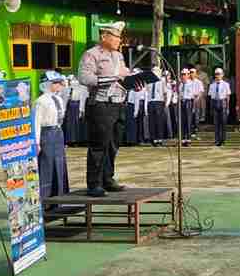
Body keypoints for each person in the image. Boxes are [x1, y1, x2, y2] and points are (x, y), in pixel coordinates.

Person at [77, 22, 136, 197]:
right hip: (101, 104)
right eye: (116, 37)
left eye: (119, 37)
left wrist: (134, 83)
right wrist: (112, 78)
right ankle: (94, 183)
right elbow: (84, 77)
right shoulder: (91, 54)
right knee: (98, 145)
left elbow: (123, 78)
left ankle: (107, 179)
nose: (119, 40)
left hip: (118, 104)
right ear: (104, 37)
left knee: (113, 144)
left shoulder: (119, 56)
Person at [35, 70, 70, 200]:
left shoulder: (59, 99)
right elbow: (37, 122)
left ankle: (59, 197)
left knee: (60, 164)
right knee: (47, 165)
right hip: (46, 133)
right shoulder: (40, 101)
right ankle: (45, 199)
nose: (59, 85)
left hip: (57, 132)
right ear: (48, 84)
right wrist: (36, 142)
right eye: (56, 82)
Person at [64, 74, 89, 146]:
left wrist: (81, 109)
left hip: (76, 106)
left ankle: (78, 140)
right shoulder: (68, 89)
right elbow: (66, 99)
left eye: (70, 81)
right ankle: (70, 140)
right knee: (70, 124)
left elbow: (82, 99)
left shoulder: (80, 88)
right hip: (70, 107)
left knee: (77, 123)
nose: (69, 82)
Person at [208, 68, 231, 146]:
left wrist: (227, 107)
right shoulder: (212, 85)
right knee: (216, 123)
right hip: (215, 102)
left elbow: (228, 96)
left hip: (223, 102)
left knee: (223, 123)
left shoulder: (226, 84)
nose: (217, 76)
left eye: (219, 74)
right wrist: (211, 107)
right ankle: (217, 139)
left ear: (222, 75)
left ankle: (223, 140)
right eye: (216, 74)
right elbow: (211, 97)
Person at [145, 69, 168, 147]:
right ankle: (153, 139)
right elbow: (147, 92)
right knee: (151, 121)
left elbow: (165, 92)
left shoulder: (162, 80)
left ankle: (159, 139)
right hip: (151, 101)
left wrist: (164, 103)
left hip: (159, 101)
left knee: (159, 121)